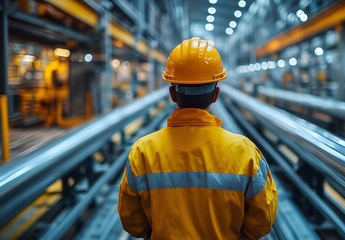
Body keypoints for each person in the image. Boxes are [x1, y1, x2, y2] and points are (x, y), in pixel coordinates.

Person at [118, 37, 277, 240]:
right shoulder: (245, 152)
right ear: (215, 95)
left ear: (172, 94)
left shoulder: (142, 152)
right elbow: (261, 223)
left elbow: (133, 224)